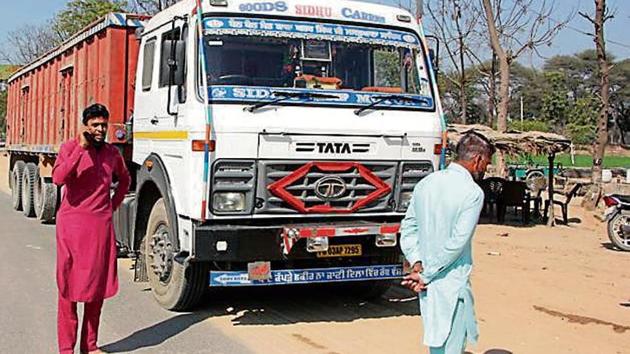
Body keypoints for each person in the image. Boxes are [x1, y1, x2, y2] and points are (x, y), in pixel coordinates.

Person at [400, 132, 495, 354]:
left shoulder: (427, 183)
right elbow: (457, 243)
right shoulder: (472, 192)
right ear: (477, 160)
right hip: (451, 284)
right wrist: (426, 274)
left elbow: (408, 228)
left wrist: (417, 262)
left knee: (437, 342)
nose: (485, 170)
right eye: (486, 164)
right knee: (451, 344)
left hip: (428, 285)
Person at [52, 103, 131, 354]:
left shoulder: (111, 153)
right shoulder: (69, 148)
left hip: (100, 227)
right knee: (69, 288)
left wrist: (111, 205)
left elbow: (125, 180)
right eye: (95, 125)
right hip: (71, 227)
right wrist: (80, 150)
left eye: (103, 125)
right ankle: (66, 349)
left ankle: (90, 345)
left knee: (96, 288)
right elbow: (58, 177)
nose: (100, 129)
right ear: (85, 126)